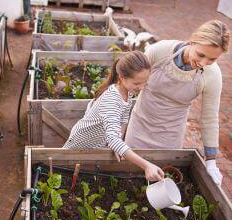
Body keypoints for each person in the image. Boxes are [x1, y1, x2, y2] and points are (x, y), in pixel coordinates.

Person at [125, 20, 231, 186]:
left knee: (158, 180)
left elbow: (209, 119)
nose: (204, 63)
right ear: (192, 41)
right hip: (139, 126)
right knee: (127, 174)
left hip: (170, 135)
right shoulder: (160, 51)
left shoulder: (212, 75)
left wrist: (211, 160)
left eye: (212, 59)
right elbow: (129, 82)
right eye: (201, 55)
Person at [63, 51, 164, 181]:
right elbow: (112, 139)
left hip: (99, 142)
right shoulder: (111, 99)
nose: (141, 87)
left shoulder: (128, 92)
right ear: (121, 77)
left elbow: (123, 119)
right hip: (81, 142)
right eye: (137, 83)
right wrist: (146, 165)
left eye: (144, 82)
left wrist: (118, 144)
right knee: (66, 170)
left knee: (84, 175)